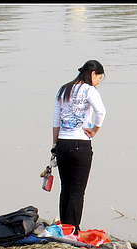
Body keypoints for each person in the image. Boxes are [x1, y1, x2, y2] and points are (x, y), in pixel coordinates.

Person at [52, 59, 106, 233]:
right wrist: (94, 130)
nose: (98, 81)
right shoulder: (89, 90)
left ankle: (64, 229)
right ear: (92, 74)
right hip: (80, 144)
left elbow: (56, 120)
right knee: (77, 190)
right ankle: (73, 230)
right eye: (99, 77)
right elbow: (101, 111)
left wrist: (55, 144)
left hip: (62, 143)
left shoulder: (63, 89)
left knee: (65, 188)